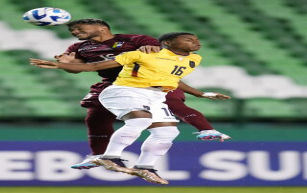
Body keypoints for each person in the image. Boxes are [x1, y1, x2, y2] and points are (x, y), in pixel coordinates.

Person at [30, 32, 224, 185]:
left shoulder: (194, 59)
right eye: (189, 40)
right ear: (168, 43)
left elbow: (172, 80)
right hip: (126, 90)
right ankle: (110, 157)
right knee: (140, 120)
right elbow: (97, 66)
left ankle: (145, 167)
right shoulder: (141, 54)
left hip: (156, 95)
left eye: (196, 39)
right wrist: (58, 65)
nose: (195, 42)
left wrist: (200, 94)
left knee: (167, 132)